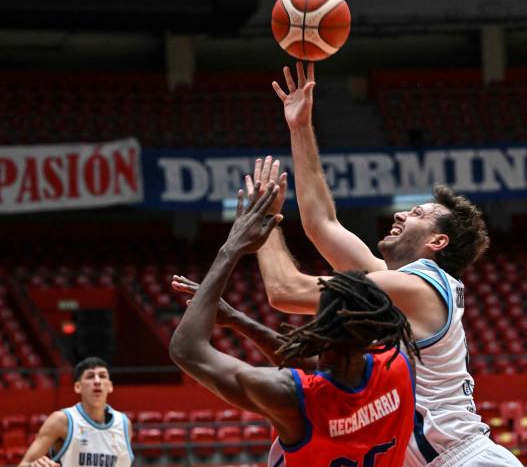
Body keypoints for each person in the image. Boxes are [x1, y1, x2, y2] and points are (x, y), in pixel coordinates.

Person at [252, 62, 523, 467]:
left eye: (415, 213)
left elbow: (286, 291)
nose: (399, 215)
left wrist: (263, 223)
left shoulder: (420, 286)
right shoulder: (399, 284)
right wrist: (300, 126)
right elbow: (322, 224)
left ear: (437, 241)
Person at [169, 183, 418, 467]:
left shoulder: (293, 397)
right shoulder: (399, 366)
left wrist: (232, 247)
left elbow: (186, 350)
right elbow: (319, 363)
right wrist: (239, 321)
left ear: (319, 328)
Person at [18, 357, 133, 467]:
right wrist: (33, 465)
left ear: (110, 386)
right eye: (90, 376)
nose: (97, 381)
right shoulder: (61, 420)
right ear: (78, 387)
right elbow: (23, 464)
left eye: (102, 376)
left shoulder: (124, 425)